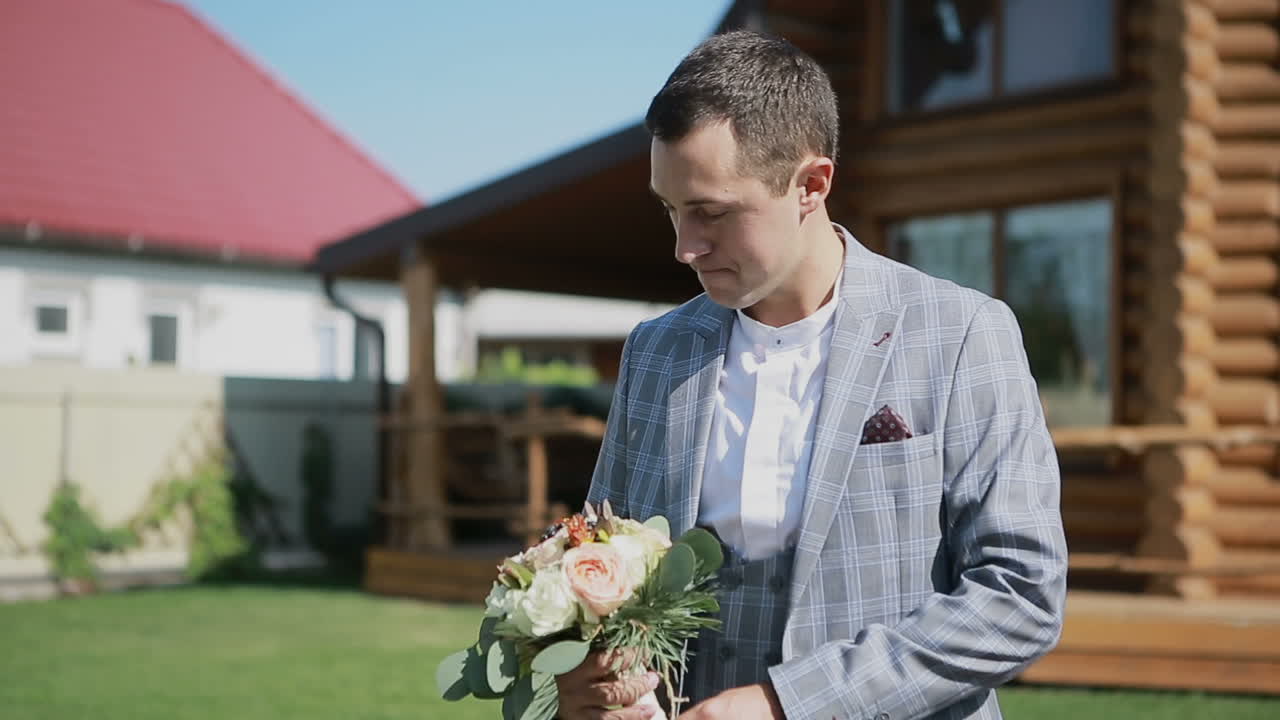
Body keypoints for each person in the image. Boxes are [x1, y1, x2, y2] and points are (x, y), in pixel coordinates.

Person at [557, 30, 1067, 720]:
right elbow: (597, 557)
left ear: (811, 185)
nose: (684, 246)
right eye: (670, 210)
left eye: (710, 212)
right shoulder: (655, 351)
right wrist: (581, 671)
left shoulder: (963, 335)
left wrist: (787, 702)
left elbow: (1021, 596)